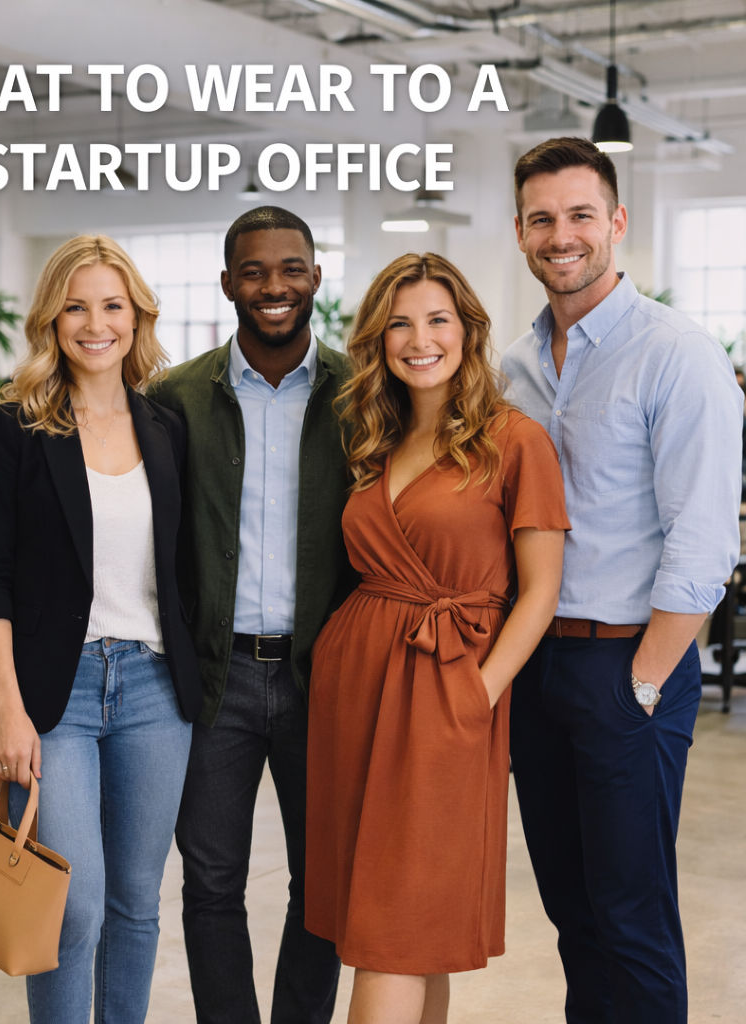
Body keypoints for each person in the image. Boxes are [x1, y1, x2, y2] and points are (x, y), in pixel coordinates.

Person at [502, 137, 744, 1024]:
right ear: (520, 232)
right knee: (573, 915)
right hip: (538, 669)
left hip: (627, 669)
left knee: (633, 916)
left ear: (617, 224)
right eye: (542, 219)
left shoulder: (675, 354)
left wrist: (644, 679)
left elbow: (705, 540)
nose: (561, 236)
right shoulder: (516, 368)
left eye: (579, 216)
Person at [304, 252, 569, 1024]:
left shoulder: (514, 441)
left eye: (438, 320)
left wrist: (476, 695)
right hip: (357, 691)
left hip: (445, 689)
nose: (420, 340)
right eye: (400, 324)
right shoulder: (372, 439)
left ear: (469, 331)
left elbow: (542, 589)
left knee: (397, 924)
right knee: (412, 929)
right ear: (378, 341)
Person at [0, 234, 201, 1024]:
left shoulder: (165, 426)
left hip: (153, 690)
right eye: (76, 307)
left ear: (136, 316)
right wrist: (8, 709)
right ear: (51, 319)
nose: (96, 324)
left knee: (137, 903)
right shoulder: (16, 425)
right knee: (74, 904)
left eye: (112, 306)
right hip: (50, 697)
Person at [148, 206, 351, 1024]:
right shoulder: (173, 400)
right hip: (215, 680)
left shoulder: (361, 394)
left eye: (291, 268)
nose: (275, 287)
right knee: (211, 883)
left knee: (323, 883)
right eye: (256, 272)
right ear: (228, 283)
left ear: (315, 277)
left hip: (323, 678)